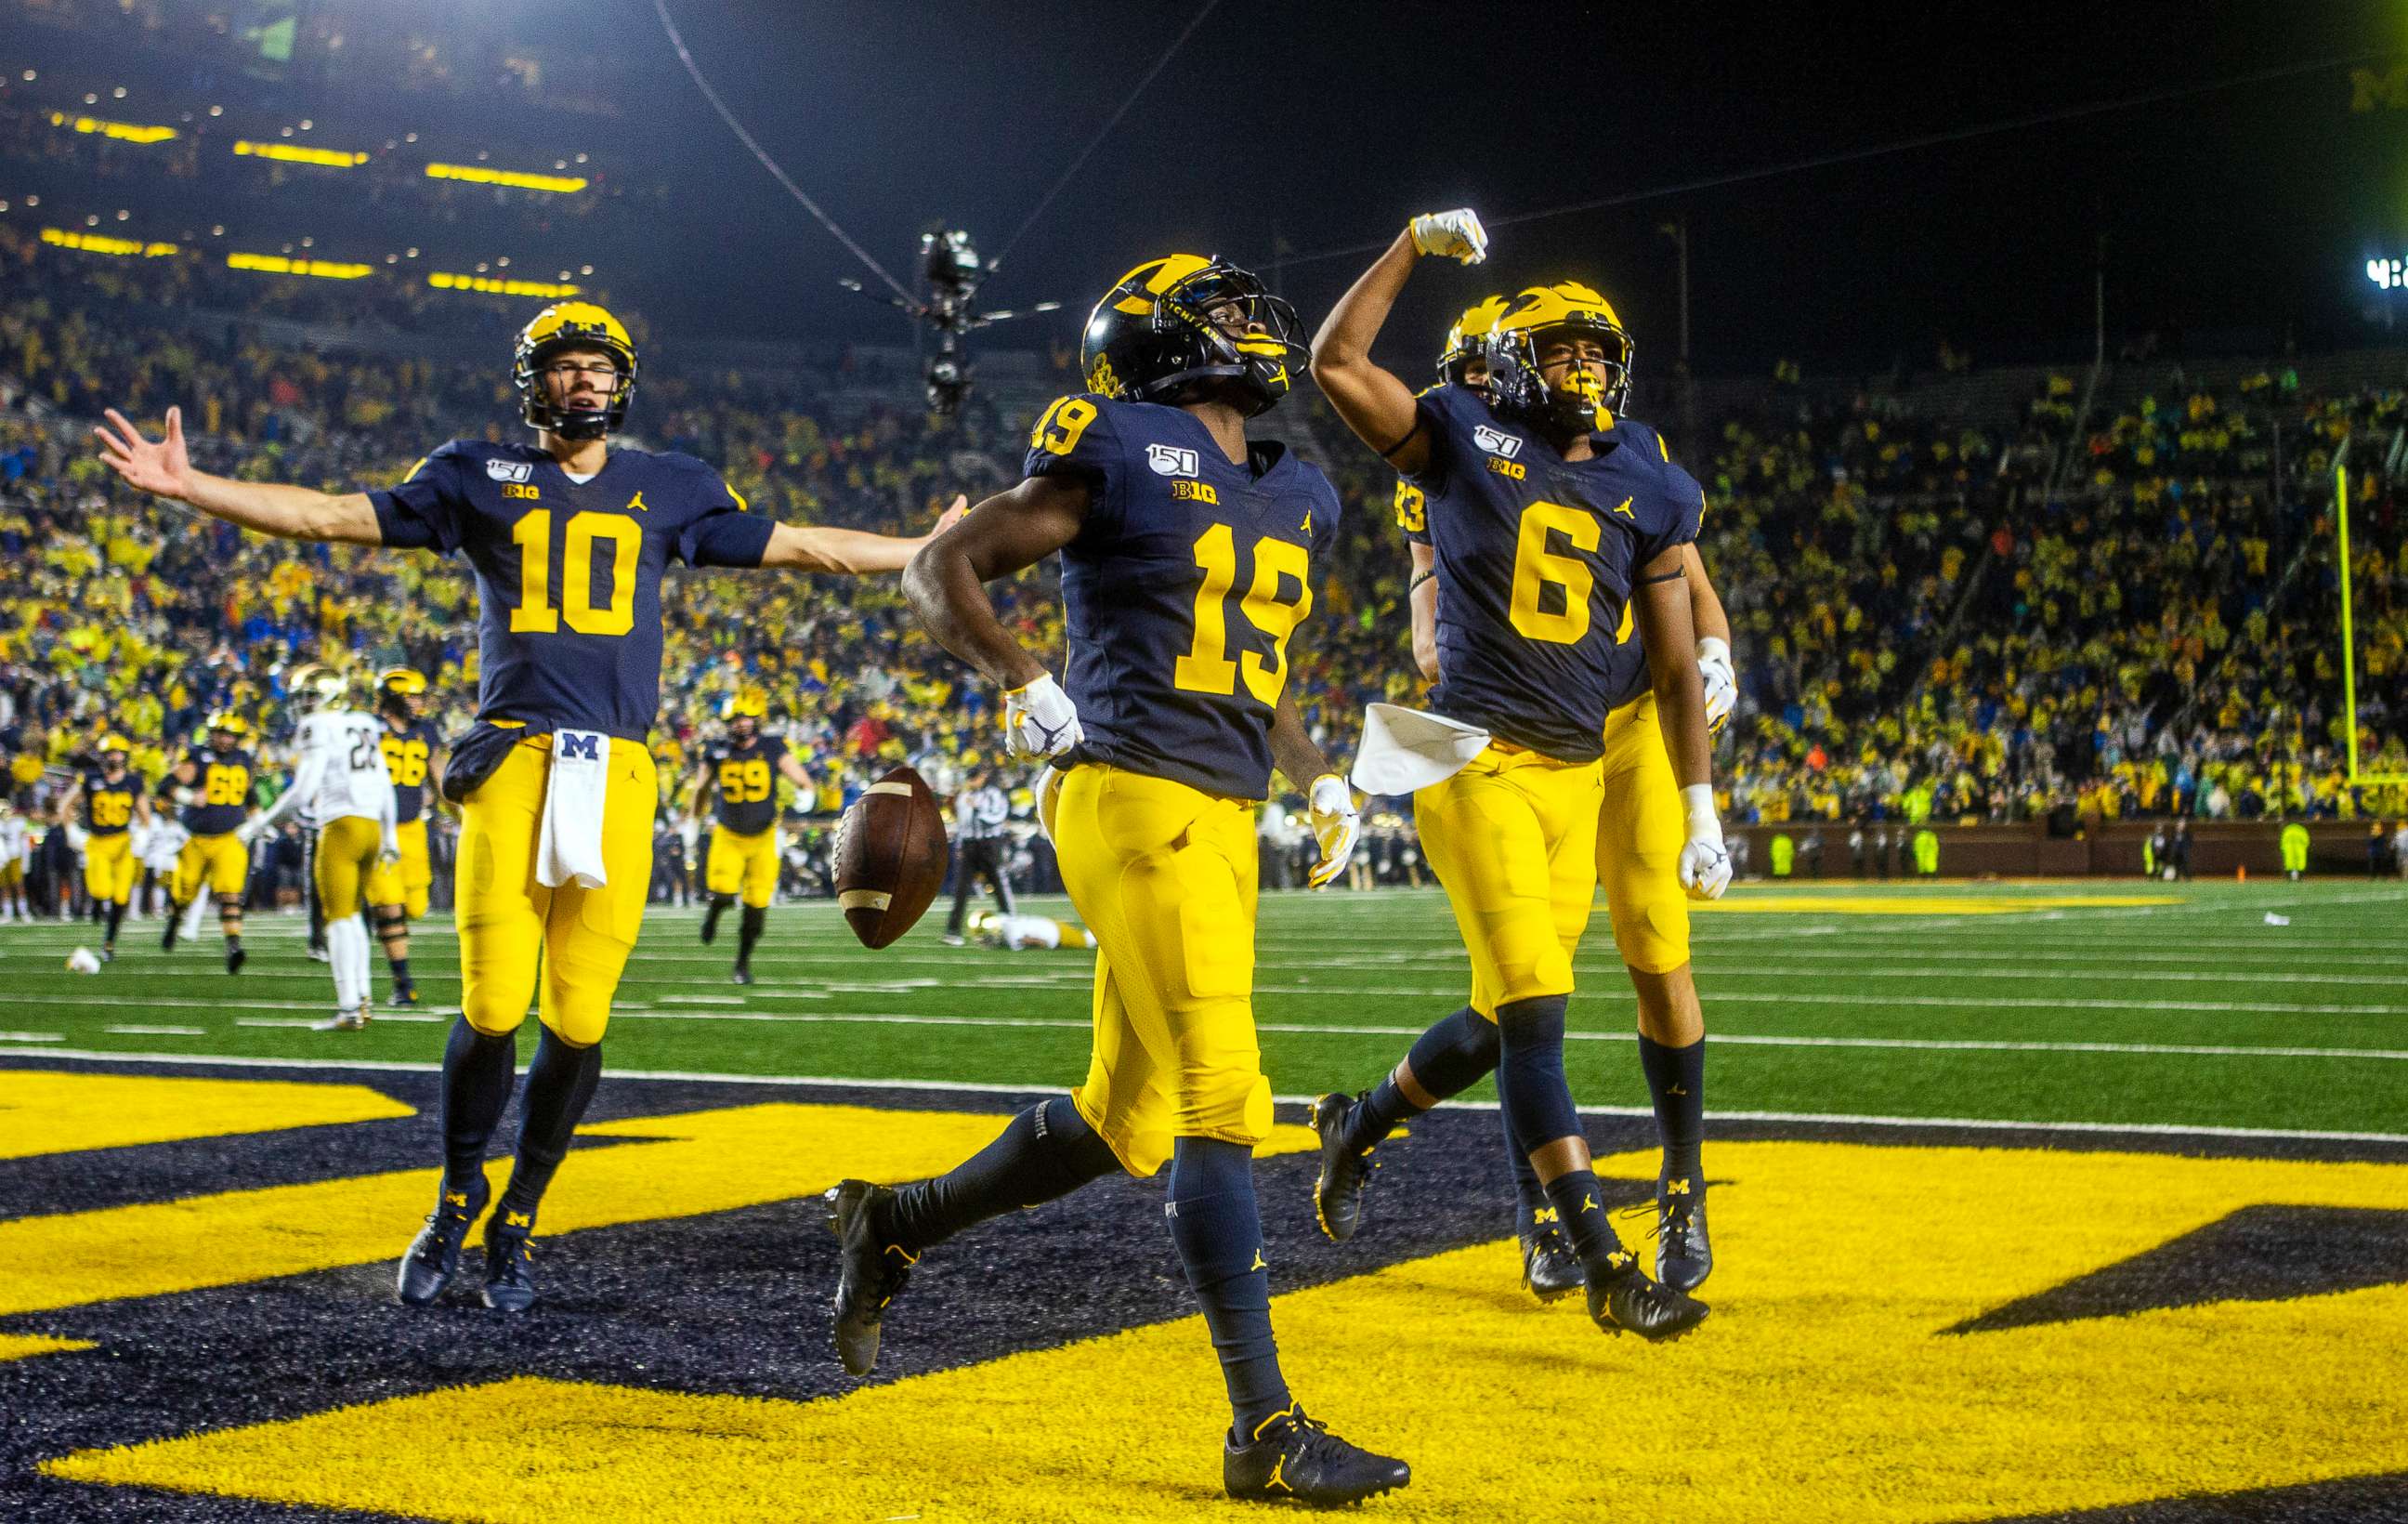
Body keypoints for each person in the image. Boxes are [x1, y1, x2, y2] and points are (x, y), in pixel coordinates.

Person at [94, 300, 953, 1314]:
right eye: (566, 366)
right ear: (533, 380)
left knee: (580, 1016)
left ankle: (521, 1214)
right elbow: (330, 514)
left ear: (621, 382)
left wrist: (923, 548)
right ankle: (457, 1194)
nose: (585, 381)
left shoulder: (672, 485)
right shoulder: (474, 472)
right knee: (495, 1003)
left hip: (621, 773)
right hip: (514, 762)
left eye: (601, 366)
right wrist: (193, 487)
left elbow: (807, 546)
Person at [829, 253, 1407, 1506]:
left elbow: (1254, 672)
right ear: (1155, 339)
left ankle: (895, 1222)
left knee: (1126, 1122)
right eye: (1228, 313)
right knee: (1220, 1101)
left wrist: (1312, 774)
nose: (1256, 330)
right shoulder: (1123, 444)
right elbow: (941, 570)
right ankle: (1263, 1429)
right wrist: (1026, 682)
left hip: (1221, 806)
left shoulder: (1297, 489)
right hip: (1129, 793)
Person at [1306, 208, 1724, 1341]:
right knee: (1536, 1015)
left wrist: (1697, 797)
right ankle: (1599, 1255)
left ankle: (1361, 1118)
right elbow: (1337, 363)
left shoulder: (1645, 474)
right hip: (1472, 755)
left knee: (1503, 1014)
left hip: (1583, 765)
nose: (1586, 368)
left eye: (1599, 353)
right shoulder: (1459, 436)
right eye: (1564, 351)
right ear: (1511, 366)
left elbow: (1681, 651)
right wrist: (1402, 243)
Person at [245, 669, 398, 1031]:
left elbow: (302, 790)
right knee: (354, 916)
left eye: (311, 696)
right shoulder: (362, 723)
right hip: (372, 827)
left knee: (339, 917)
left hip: (341, 826)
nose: (305, 704)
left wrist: (261, 822)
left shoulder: (319, 726)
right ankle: (362, 999)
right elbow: (385, 783)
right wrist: (390, 837)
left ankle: (348, 1008)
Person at [687, 690, 810, 984]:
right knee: (725, 893)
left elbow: (799, 776)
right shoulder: (716, 750)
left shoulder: (772, 747)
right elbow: (701, 788)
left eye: (746, 718)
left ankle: (742, 965)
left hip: (764, 836)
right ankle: (714, 913)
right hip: (729, 834)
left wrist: (806, 790)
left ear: (756, 719)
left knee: (757, 905)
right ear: (728, 722)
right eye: (736, 719)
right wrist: (694, 818)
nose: (741, 724)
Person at [366, 666, 444, 1005]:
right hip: (378, 829)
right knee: (390, 905)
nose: (417, 702)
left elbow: (440, 778)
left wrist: (464, 812)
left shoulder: (425, 731)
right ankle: (403, 984)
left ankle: (369, 913)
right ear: (392, 698)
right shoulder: (369, 730)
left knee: (416, 906)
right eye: (410, 695)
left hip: (412, 829)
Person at [160, 711, 259, 971]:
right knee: (184, 893)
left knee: (230, 894)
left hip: (230, 837)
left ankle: (233, 946)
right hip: (197, 838)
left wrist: (258, 820)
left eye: (230, 735)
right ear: (212, 733)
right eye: (221, 734)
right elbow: (166, 785)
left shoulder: (244, 760)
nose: (225, 740)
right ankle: (174, 923)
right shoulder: (199, 758)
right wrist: (188, 797)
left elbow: (251, 795)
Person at [55, 736, 148, 962]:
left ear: (125, 756)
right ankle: (97, 906)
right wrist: (70, 828)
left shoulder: (134, 782)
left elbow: (145, 815)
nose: (114, 757)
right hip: (98, 843)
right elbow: (65, 804)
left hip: (123, 842)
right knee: (101, 890)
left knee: (121, 896)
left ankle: (109, 942)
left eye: (117, 753)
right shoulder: (89, 778)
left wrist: (143, 833)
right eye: (110, 753)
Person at [941, 763, 1014, 944]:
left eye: (975, 777)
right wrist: (959, 846)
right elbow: (962, 824)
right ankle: (953, 931)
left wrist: (978, 809)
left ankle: (1011, 927)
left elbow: (998, 817)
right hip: (969, 845)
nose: (973, 781)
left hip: (989, 844)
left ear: (982, 777)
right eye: (971, 778)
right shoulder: (963, 797)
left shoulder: (993, 794)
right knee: (961, 888)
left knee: (999, 884)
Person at [0, 797, 28, 922]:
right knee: (4, 886)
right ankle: (8, 913)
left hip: (15, 855)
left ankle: (23, 912)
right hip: (2, 857)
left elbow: (24, 839)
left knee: (18, 885)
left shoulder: (18, 822)